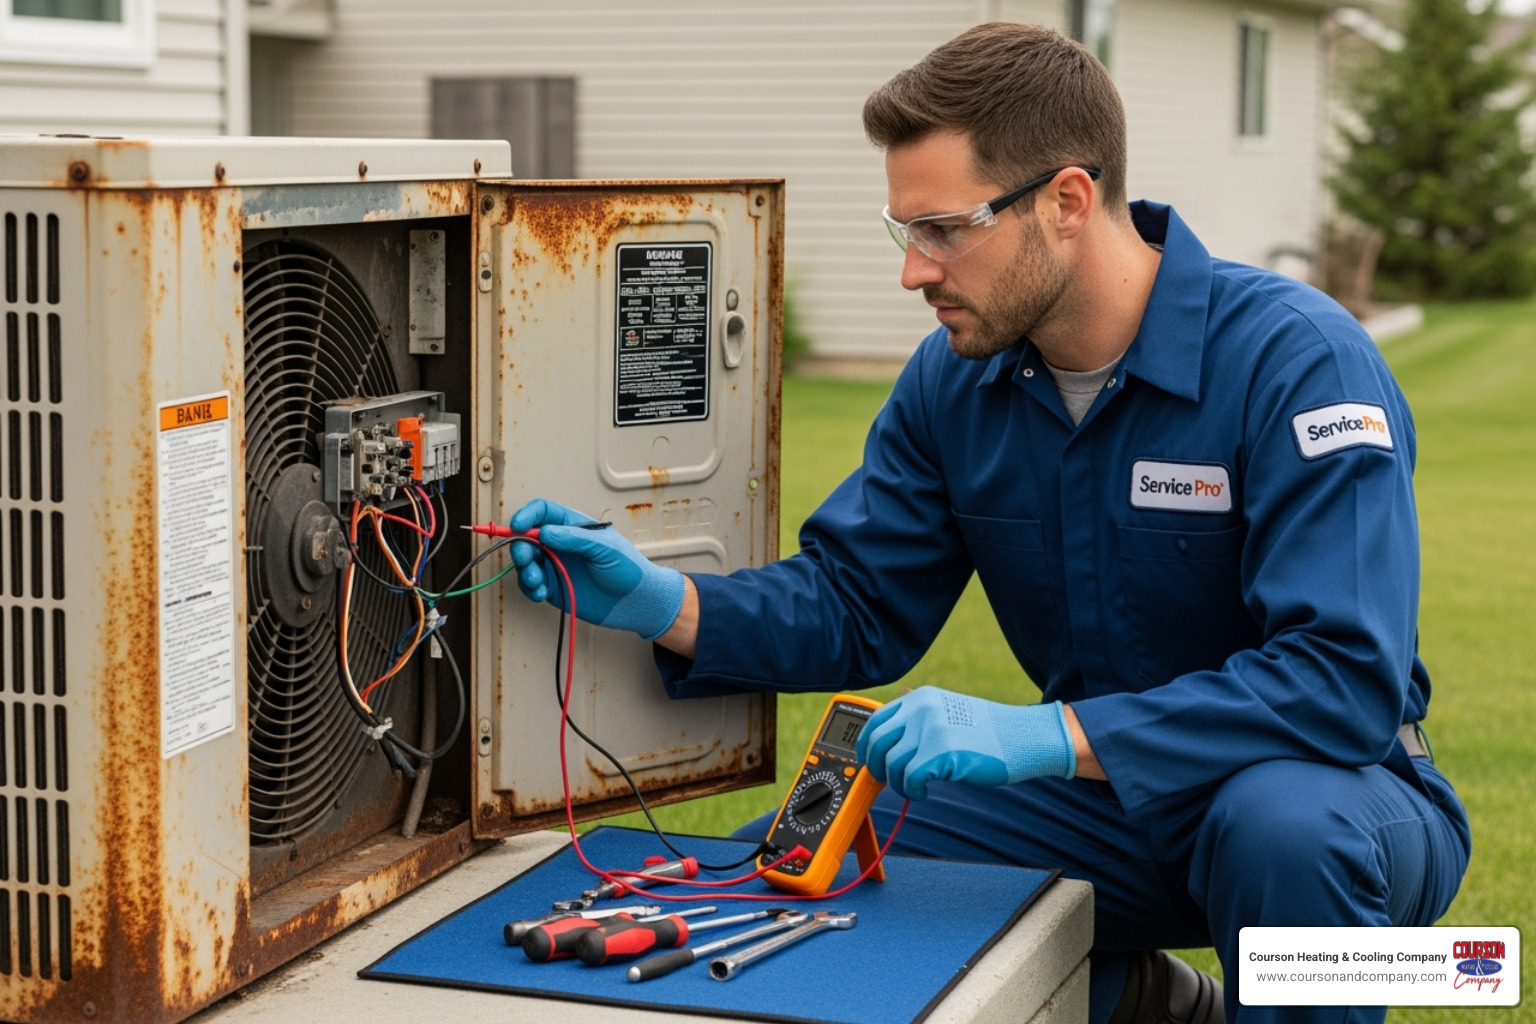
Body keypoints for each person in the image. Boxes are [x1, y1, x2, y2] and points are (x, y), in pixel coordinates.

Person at [508, 22, 1470, 1024]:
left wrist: (1050, 732)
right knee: (806, 860)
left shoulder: (1300, 362)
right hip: (1113, 807)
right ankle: (1140, 1001)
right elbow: (857, 603)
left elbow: (1342, 681)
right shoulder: (954, 382)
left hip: (1344, 800)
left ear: (1066, 201)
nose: (914, 271)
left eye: (944, 228)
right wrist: (669, 603)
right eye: (904, 233)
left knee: (1280, 830)